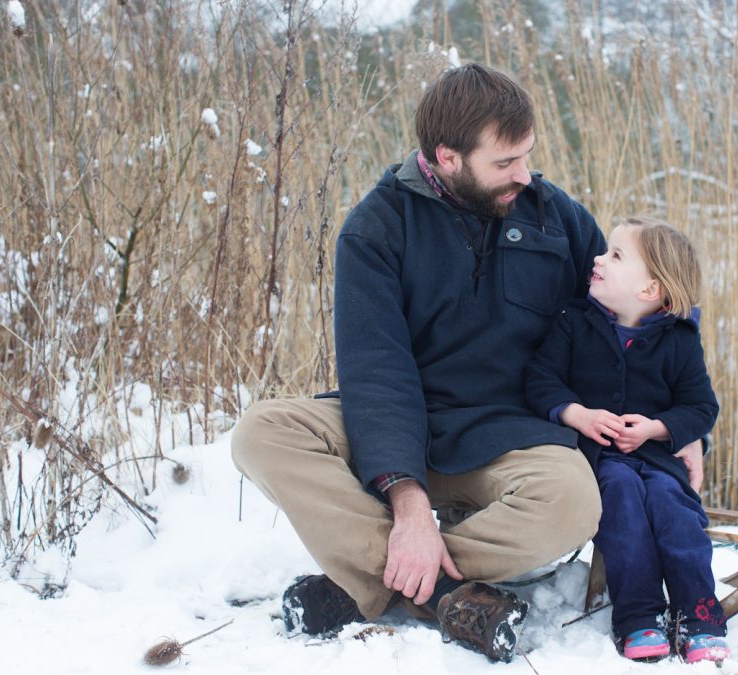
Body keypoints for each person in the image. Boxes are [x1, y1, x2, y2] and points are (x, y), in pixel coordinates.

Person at [230, 64, 612, 663]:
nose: (526, 175)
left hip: (511, 433)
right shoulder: (377, 228)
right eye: (505, 163)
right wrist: (408, 503)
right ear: (448, 157)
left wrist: (679, 426)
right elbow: (376, 370)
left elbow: (630, 322)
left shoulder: (555, 218)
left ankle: (375, 581)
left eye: (527, 156)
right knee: (261, 433)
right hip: (400, 426)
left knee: (572, 503)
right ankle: (447, 594)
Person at [525, 218, 729, 664]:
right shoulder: (575, 322)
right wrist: (576, 413)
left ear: (649, 290)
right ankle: (638, 616)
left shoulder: (679, 341)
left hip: (657, 459)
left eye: (615, 255)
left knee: (674, 511)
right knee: (621, 505)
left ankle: (698, 614)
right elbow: (540, 381)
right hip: (599, 458)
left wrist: (657, 428)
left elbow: (701, 407)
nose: (598, 257)